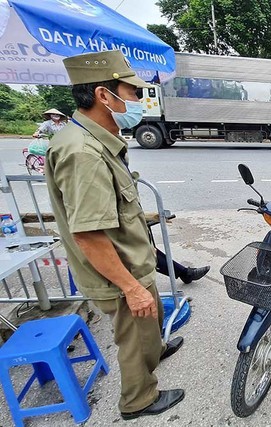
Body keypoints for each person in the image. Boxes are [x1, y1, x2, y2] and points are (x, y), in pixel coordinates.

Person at [45, 50, 185, 420]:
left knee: (148, 322)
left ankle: (155, 349)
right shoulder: (83, 153)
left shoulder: (95, 142)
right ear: (105, 96)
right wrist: (131, 286)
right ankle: (138, 399)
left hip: (132, 260)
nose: (139, 101)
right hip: (118, 272)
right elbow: (89, 236)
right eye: (133, 93)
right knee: (133, 332)